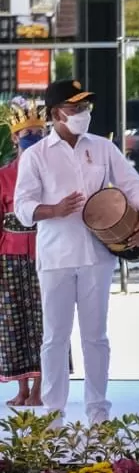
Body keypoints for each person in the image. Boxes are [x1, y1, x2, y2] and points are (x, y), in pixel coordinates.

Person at [14, 79, 139, 423]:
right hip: (56, 256)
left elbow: (132, 184)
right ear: (55, 114)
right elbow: (22, 206)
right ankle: (53, 414)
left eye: (84, 107)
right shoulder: (36, 156)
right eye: (74, 108)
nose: (82, 114)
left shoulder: (103, 148)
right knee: (55, 338)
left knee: (96, 336)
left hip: (97, 253)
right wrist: (54, 210)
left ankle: (97, 412)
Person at [0, 99, 47, 406]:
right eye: (26, 132)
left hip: (46, 254)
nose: (31, 137)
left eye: (37, 132)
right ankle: (22, 388)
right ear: (15, 137)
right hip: (11, 256)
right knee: (14, 321)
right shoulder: (3, 176)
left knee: (46, 320)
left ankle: (43, 386)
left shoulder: (52, 172)